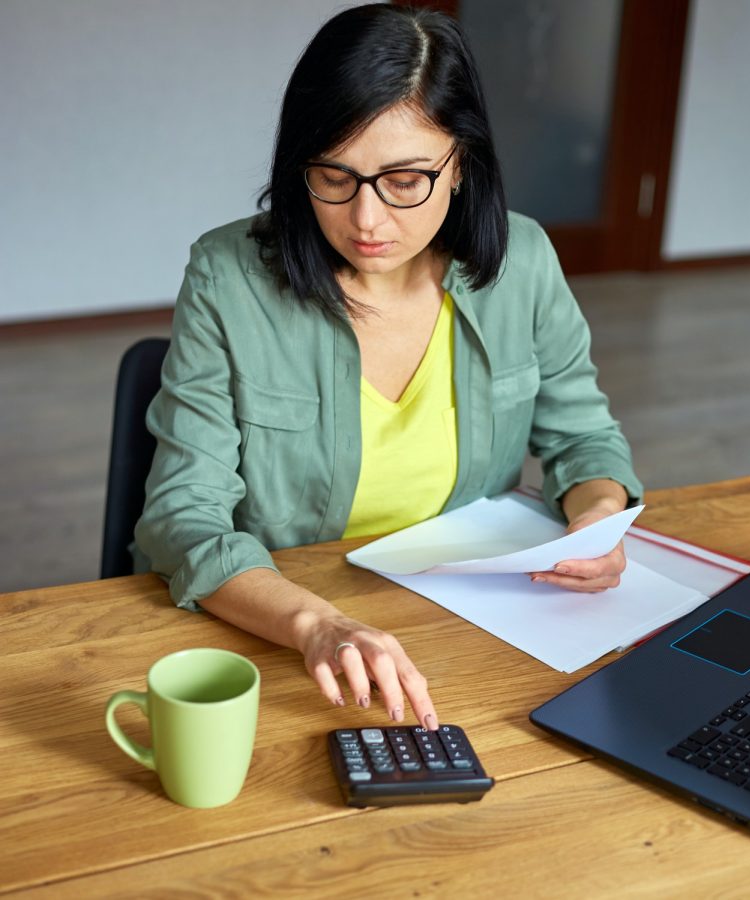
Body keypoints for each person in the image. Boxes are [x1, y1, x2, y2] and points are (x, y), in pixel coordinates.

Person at [133, 3, 643, 731]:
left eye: (405, 181)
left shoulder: (523, 263)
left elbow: (584, 439)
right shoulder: (229, 276)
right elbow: (184, 517)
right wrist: (316, 624)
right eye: (333, 177)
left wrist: (596, 519)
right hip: (278, 630)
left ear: (461, 162)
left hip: (469, 625)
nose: (366, 221)